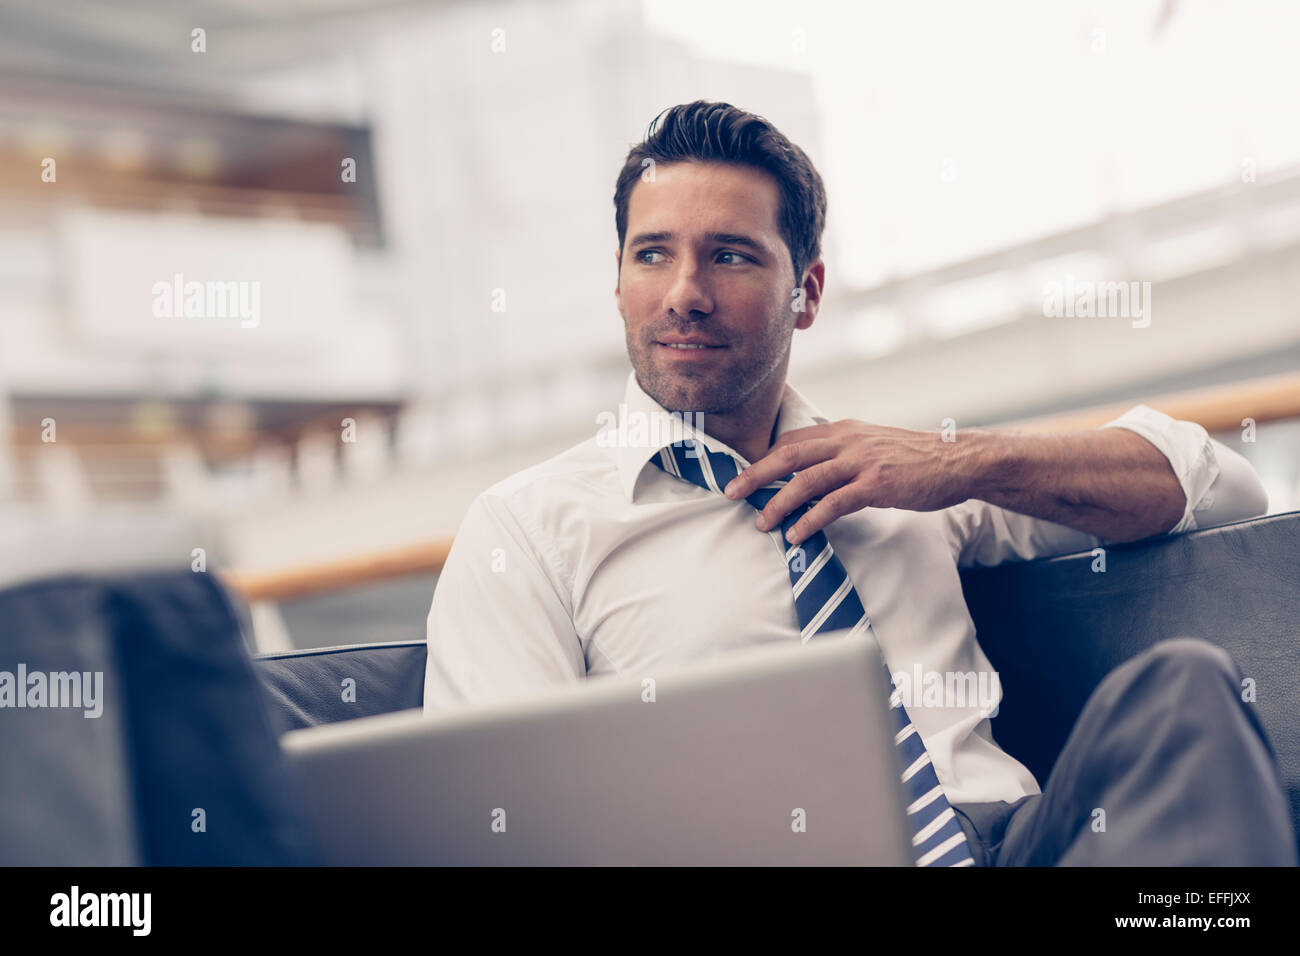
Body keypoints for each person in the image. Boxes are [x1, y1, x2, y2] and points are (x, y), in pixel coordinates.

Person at [424, 100, 1295, 865]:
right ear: (618, 284)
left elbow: (1217, 487)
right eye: (653, 255)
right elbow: (502, 830)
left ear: (805, 293)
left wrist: (959, 464)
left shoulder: (901, 476)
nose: (684, 294)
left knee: (1182, 689)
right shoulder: (528, 532)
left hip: (1013, 843)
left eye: (729, 256)